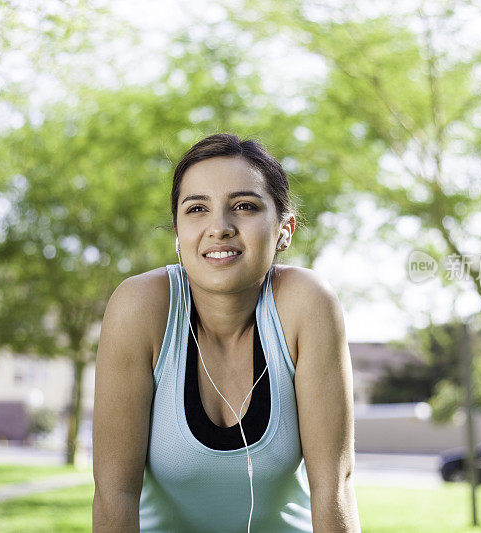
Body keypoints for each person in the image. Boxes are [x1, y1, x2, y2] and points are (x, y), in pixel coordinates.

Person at [92, 133, 360, 532]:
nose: (219, 227)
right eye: (197, 208)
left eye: (244, 206)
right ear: (178, 234)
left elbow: (333, 488)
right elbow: (115, 495)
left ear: (284, 230)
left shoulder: (308, 303)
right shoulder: (140, 307)